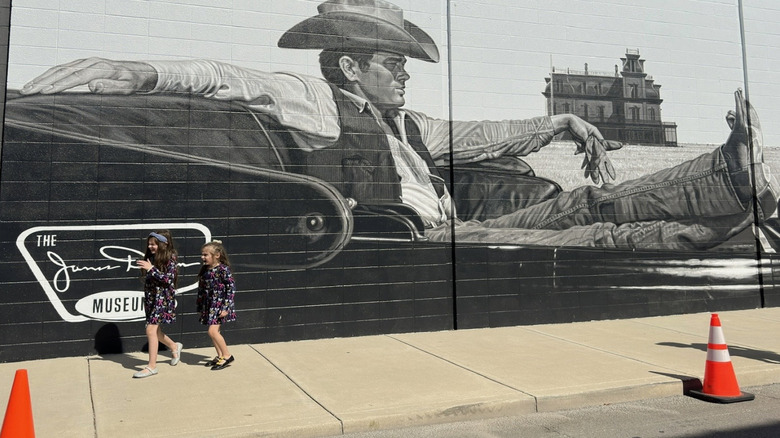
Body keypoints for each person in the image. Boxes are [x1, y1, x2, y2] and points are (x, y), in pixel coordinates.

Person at [19, 0, 778, 251]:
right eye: (392, 61)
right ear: (351, 66)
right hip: (428, 246)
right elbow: (230, 79)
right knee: (589, 229)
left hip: (456, 236)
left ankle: (728, 176)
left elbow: (479, 135)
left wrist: (564, 120)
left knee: (584, 204)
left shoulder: (409, 122)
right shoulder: (315, 101)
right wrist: (146, 73)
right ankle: (727, 203)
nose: (404, 72)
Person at [133, 230, 183, 378]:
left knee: (150, 330)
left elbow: (168, 280)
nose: (150, 247)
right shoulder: (153, 257)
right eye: (149, 244)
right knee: (157, 332)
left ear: (163, 244)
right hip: (151, 299)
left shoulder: (170, 258)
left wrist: (151, 269)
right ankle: (174, 346)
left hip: (162, 299)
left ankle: (152, 367)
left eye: (154, 244)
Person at [197, 240, 237, 371]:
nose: (203, 257)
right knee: (214, 332)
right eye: (202, 255)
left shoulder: (223, 269)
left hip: (220, 306)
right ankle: (220, 356)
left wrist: (226, 307)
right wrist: (200, 305)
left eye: (206, 255)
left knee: (212, 331)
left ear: (217, 255)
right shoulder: (205, 270)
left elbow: (231, 289)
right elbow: (202, 289)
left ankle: (227, 355)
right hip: (209, 305)